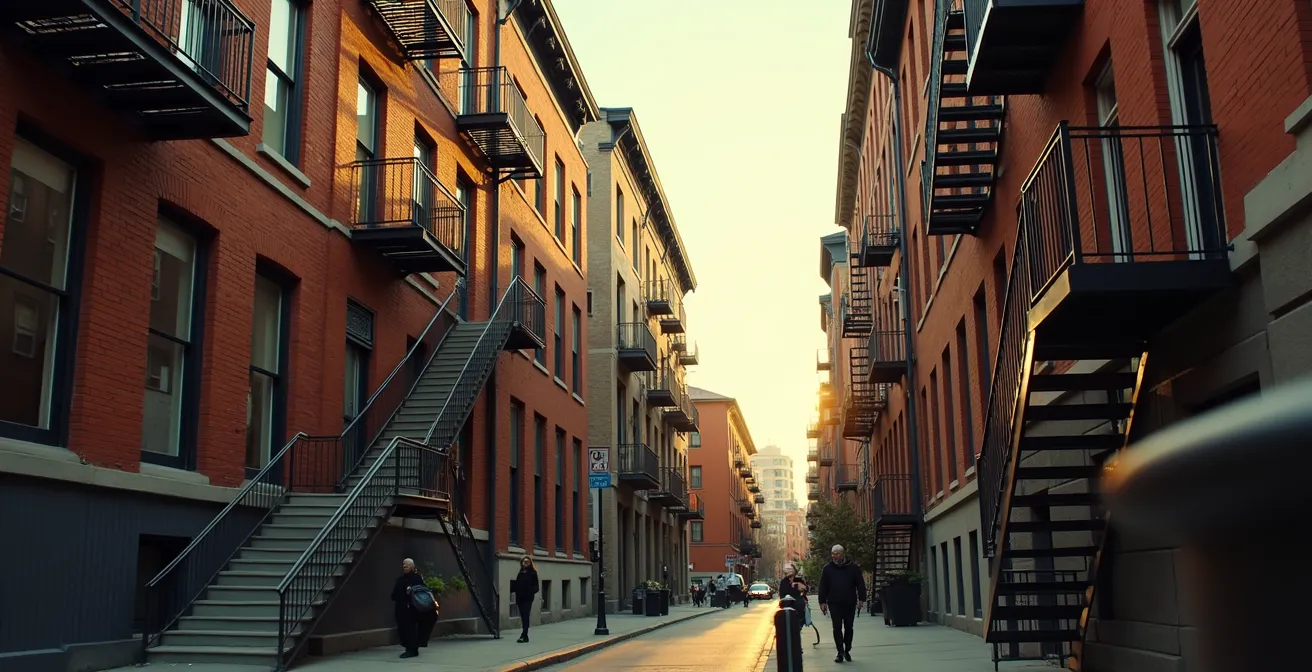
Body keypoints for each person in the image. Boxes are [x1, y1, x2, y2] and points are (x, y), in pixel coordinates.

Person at [819, 544, 867, 663]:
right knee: (837, 627)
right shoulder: (827, 569)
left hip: (849, 602)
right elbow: (823, 586)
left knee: (849, 627)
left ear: (843, 554)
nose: (834, 556)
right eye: (833, 553)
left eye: (837, 553)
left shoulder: (853, 568)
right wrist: (822, 601)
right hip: (834, 602)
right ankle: (840, 652)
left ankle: (847, 649)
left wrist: (861, 599)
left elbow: (860, 584)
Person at [391, 558, 437, 659]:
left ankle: (411, 650)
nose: (404, 566)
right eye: (403, 565)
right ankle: (412, 649)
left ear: (412, 566)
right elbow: (394, 595)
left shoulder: (416, 578)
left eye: (407, 565)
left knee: (410, 630)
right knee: (405, 630)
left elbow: (420, 592)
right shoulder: (401, 579)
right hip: (402, 609)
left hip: (411, 610)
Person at [511, 555, 540, 643]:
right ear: (522, 563)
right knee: (523, 616)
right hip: (520, 598)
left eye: (527, 562)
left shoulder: (533, 573)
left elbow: (536, 587)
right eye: (524, 562)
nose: (526, 563)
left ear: (530, 563)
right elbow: (517, 584)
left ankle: (524, 633)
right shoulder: (520, 572)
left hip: (528, 598)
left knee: (526, 615)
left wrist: (529, 592)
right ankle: (525, 636)